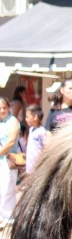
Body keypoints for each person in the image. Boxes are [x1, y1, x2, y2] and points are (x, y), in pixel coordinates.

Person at [0, 97, 21, 228]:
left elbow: (11, 142)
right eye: (0, 108)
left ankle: (8, 218)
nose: (2, 110)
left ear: (9, 108)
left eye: (4, 107)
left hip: (8, 160)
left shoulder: (12, 121)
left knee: (7, 188)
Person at [23, 104, 46, 176]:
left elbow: (45, 148)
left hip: (37, 167)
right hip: (29, 167)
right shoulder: (31, 130)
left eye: (27, 117)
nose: (26, 119)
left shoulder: (42, 132)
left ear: (35, 117)